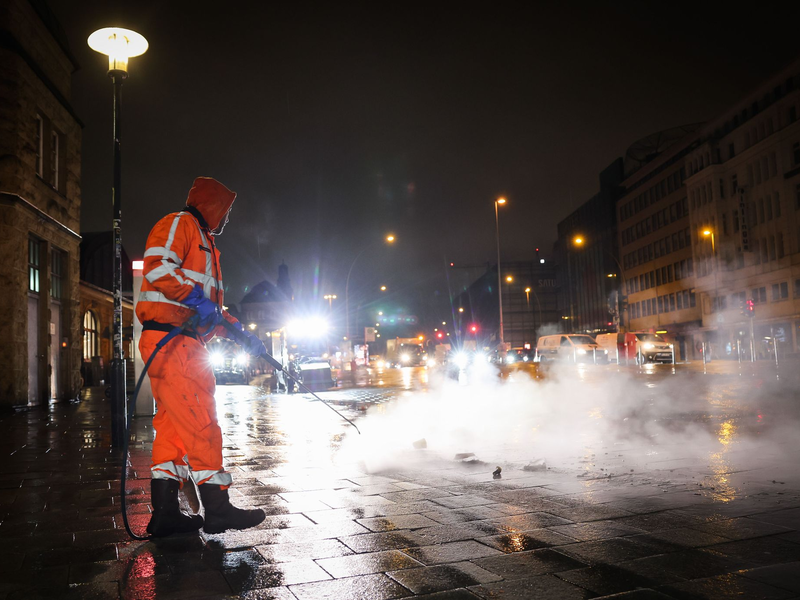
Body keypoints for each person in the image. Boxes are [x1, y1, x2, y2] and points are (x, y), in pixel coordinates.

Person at [136, 177, 267, 537]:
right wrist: (197, 300)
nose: (227, 219)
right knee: (201, 422)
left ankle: (165, 514)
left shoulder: (205, 243)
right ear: (213, 206)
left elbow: (211, 312)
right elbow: (159, 267)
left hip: (176, 340)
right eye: (226, 211)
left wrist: (242, 334)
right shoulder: (181, 224)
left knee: (173, 430)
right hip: (174, 343)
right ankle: (218, 509)